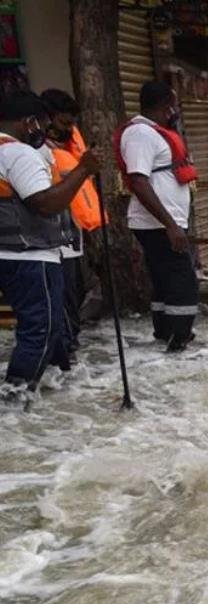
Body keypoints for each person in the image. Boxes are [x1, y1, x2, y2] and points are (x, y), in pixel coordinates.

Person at [0, 90, 99, 395]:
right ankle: (15, 399)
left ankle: (54, 386)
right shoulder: (18, 153)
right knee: (42, 330)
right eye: (41, 125)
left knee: (44, 328)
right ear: (29, 123)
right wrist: (83, 169)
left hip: (12, 254)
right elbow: (43, 203)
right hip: (30, 256)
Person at [117, 80, 199, 352]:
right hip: (159, 225)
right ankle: (179, 339)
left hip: (165, 223)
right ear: (166, 106)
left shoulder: (154, 132)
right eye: (174, 105)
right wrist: (170, 225)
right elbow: (138, 181)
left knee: (166, 280)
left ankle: (167, 334)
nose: (175, 110)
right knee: (182, 280)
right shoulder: (141, 134)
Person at [40, 89, 102, 352]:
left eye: (72, 124)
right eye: (65, 123)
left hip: (73, 236)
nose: (70, 129)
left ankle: (70, 343)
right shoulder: (39, 153)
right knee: (63, 298)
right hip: (52, 240)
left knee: (74, 293)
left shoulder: (72, 151)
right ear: (48, 119)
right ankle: (64, 348)